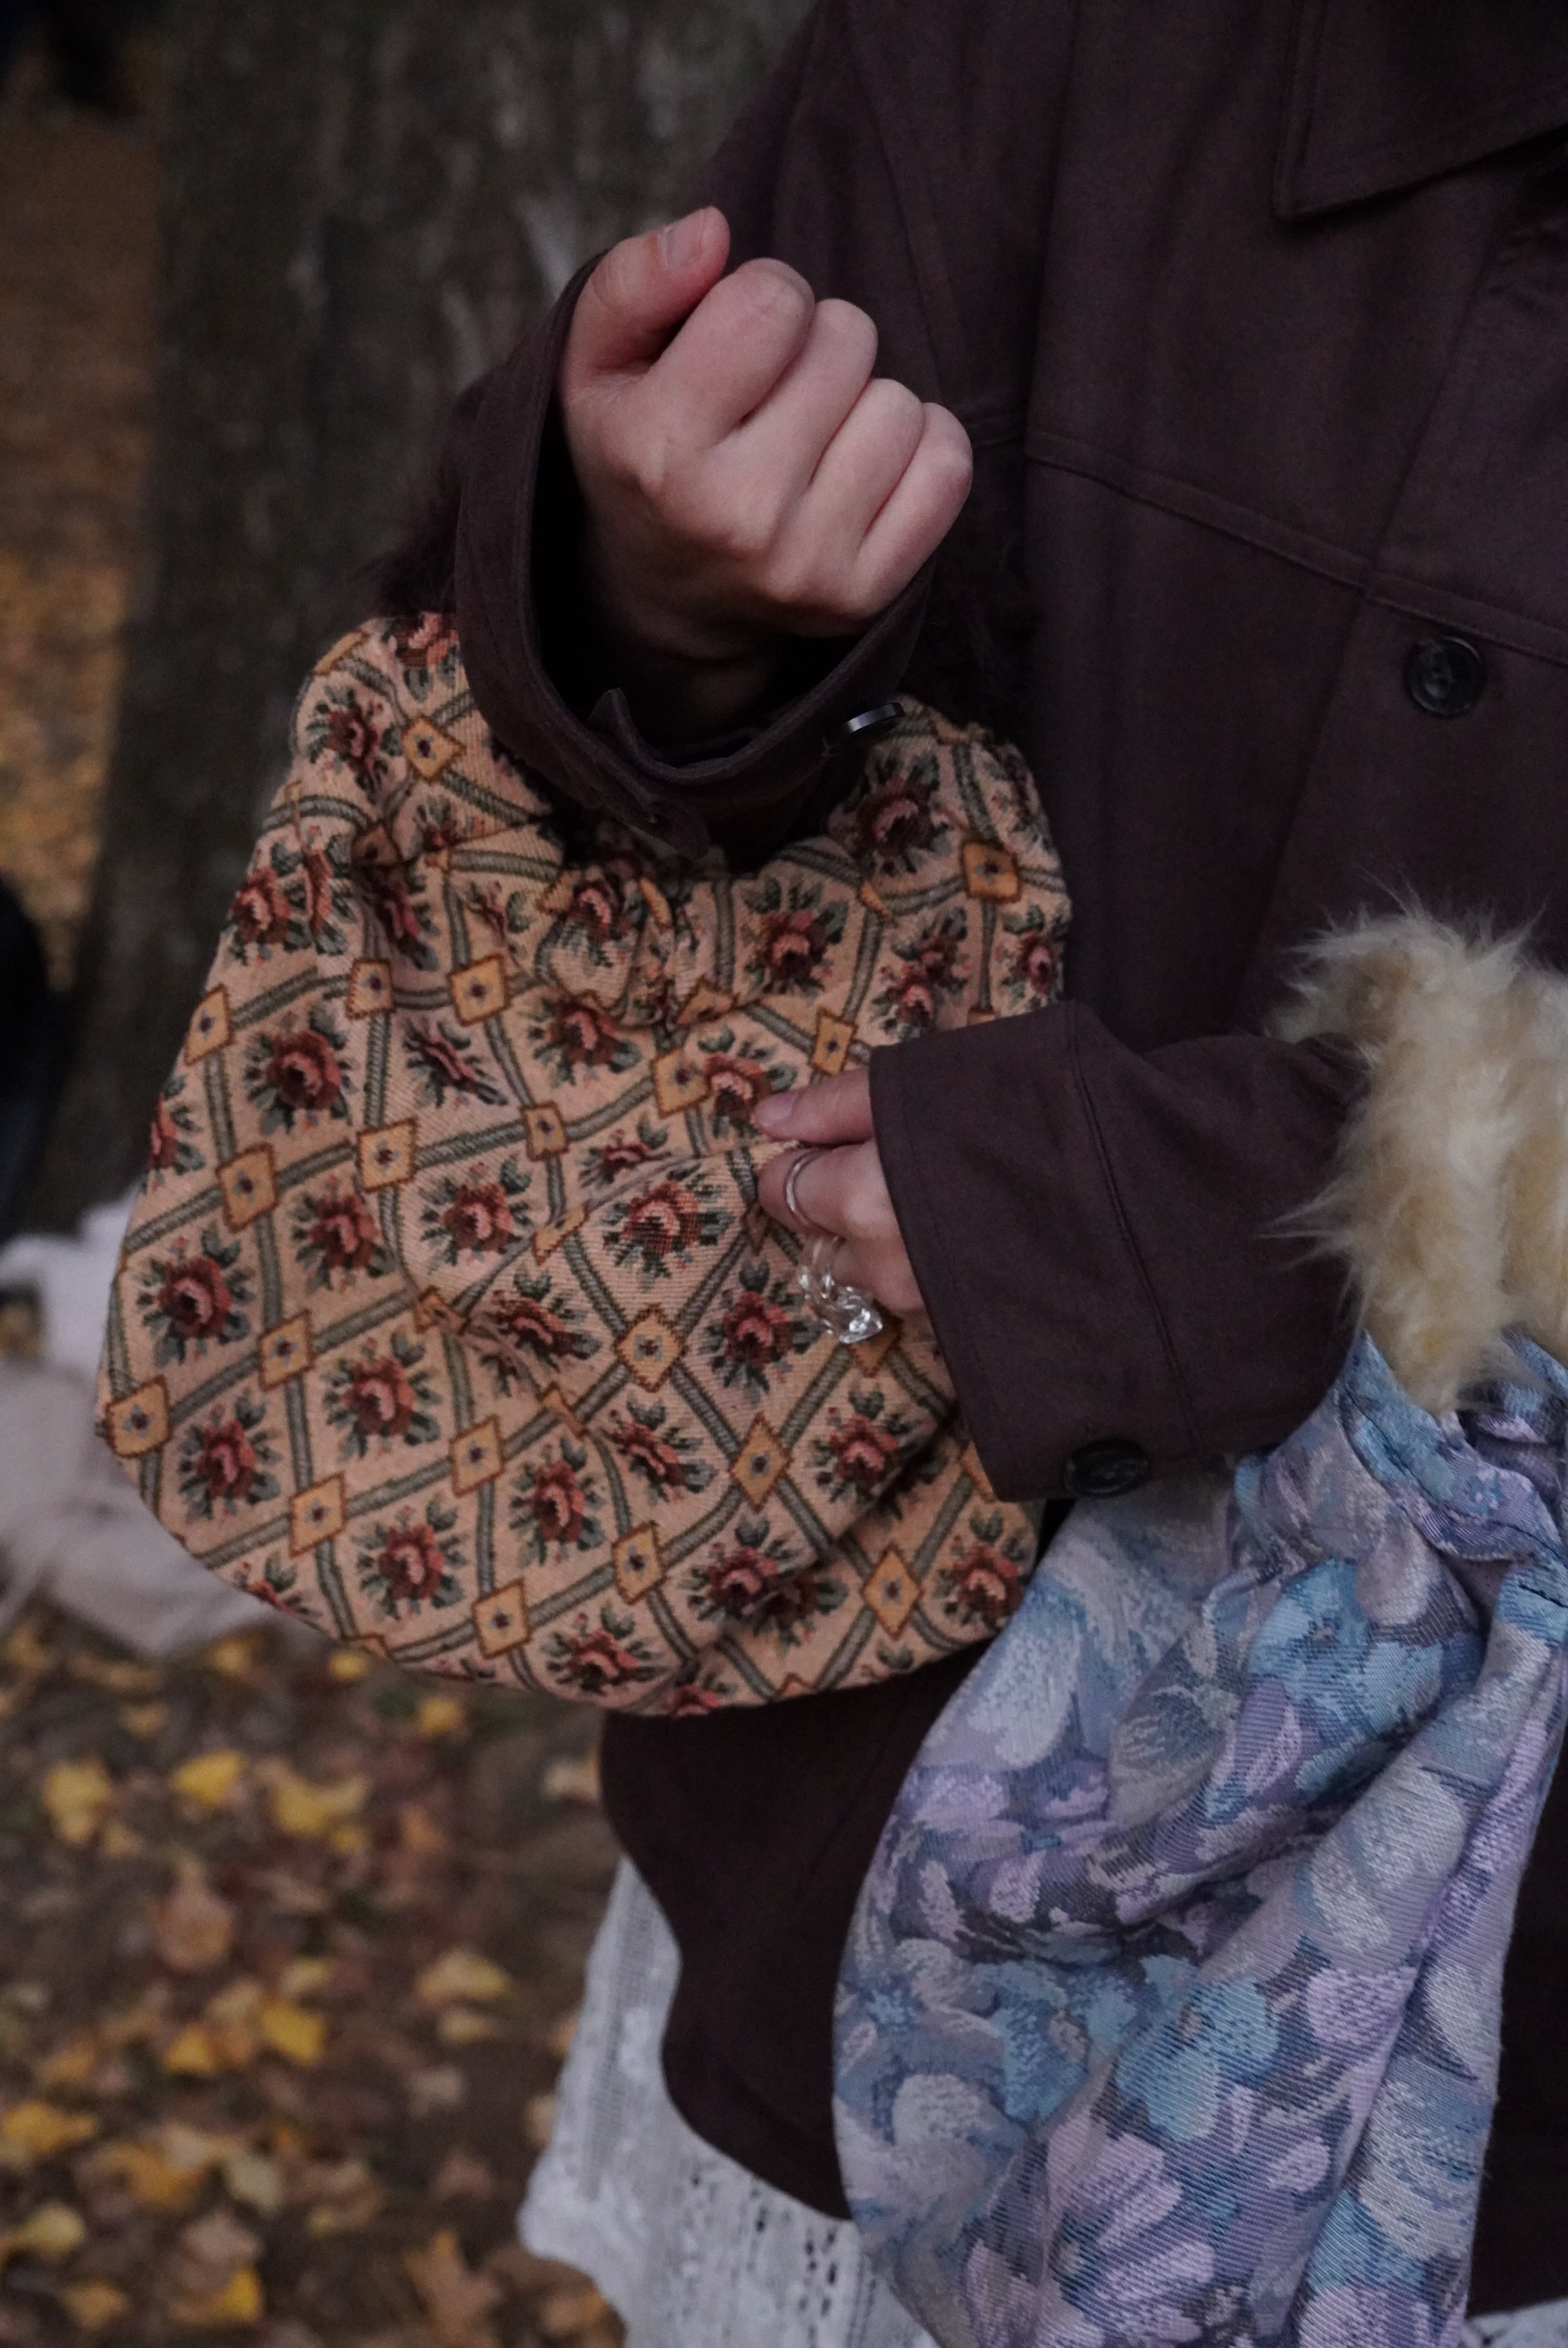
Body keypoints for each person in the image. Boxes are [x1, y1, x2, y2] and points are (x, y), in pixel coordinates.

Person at [382, 0, 1568, 2329]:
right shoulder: (1050, 49)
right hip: (857, 1823)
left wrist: (1234, 1220)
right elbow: (526, 747)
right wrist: (661, 607)